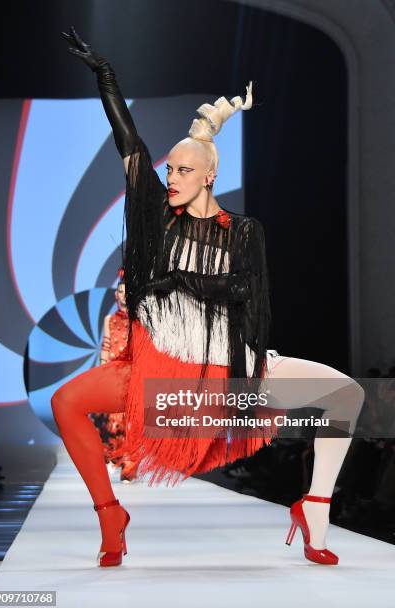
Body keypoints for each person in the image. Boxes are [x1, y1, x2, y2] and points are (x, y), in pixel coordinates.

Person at [51, 26, 365, 568]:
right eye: (170, 169)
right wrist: (108, 83)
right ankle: (109, 514)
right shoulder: (157, 220)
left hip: (226, 368)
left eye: (184, 170)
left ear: (210, 175)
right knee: (66, 402)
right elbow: (132, 147)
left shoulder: (243, 232)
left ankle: (314, 509)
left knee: (349, 396)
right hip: (161, 371)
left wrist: (179, 281)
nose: (171, 177)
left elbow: (245, 292)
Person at [99, 268, 139, 482]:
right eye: (121, 291)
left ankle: (129, 466)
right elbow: (105, 346)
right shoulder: (109, 320)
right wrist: (102, 371)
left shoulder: (138, 320)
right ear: (116, 295)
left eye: (127, 292)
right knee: (114, 420)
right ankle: (115, 457)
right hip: (113, 373)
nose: (124, 295)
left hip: (132, 372)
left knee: (132, 421)